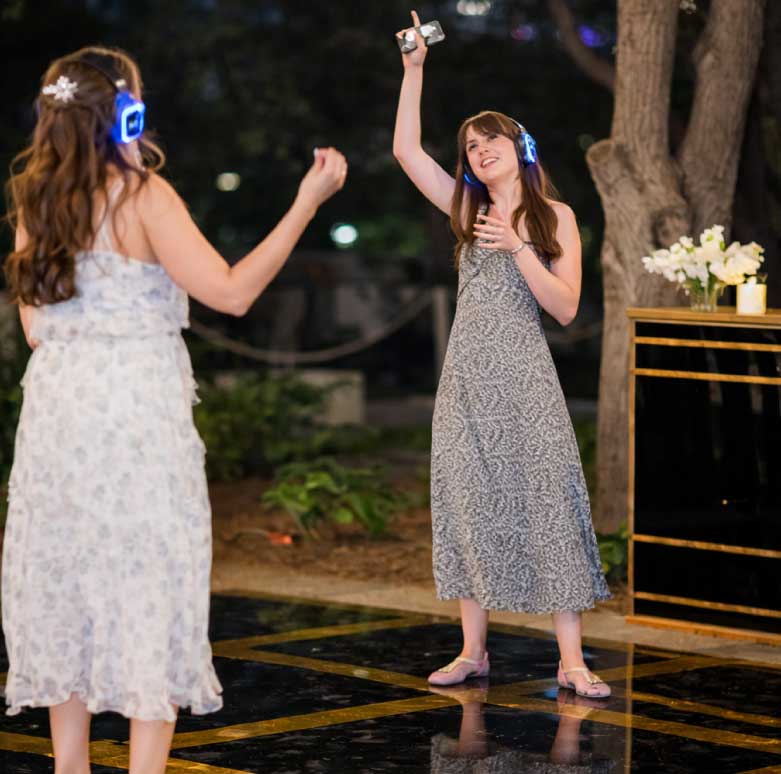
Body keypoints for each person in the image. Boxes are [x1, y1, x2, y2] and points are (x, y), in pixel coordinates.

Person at [2, 46, 347, 774]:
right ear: (124, 112)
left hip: (59, 414)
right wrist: (305, 205)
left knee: (66, 582)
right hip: (136, 412)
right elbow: (232, 293)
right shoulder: (143, 195)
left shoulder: (34, 200)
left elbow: (34, 328)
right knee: (146, 581)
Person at [393, 12, 611, 697]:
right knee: (469, 506)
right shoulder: (465, 208)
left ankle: (571, 660)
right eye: (470, 145)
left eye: (490, 139)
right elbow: (406, 152)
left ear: (520, 147)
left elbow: (567, 307)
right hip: (464, 383)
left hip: (525, 379)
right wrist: (414, 71)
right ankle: (472, 651)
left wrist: (518, 247)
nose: (479, 149)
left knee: (549, 502)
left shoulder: (555, 217)